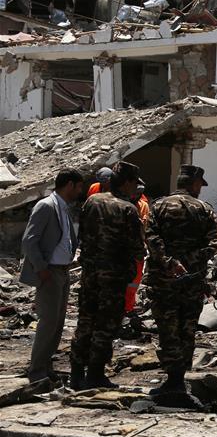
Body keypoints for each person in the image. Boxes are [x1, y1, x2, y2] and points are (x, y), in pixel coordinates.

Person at [145, 165, 217, 395]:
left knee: (167, 328)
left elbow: (150, 237)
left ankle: (172, 379)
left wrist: (169, 261)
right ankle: (178, 379)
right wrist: (189, 261)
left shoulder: (157, 206)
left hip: (164, 279)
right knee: (186, 328)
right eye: (200, 184)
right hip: (191, 280)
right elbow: (213, 243)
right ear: (194, 184)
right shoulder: (204, 209)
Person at [70, 162, 145, 390]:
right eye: (134, 183)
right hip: (113, 277)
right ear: (127, 182)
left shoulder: (92, 201)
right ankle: (95, 374)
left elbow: (82, 234)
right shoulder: (127, 209)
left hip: (91, 273)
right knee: (106, 324)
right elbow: (137, 248)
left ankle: (76, 374)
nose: (135, 188)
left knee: (85, 321)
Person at [20, 169, 84, 386]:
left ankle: (46, 366)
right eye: (78, 186)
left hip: (63, 271)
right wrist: (41, 268)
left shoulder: (63, 208)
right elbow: (29, 241)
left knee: (57, 322)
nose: (80, 191)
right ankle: (36, 370)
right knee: (48, 321)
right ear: (69, 185)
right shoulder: (46, 206)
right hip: (50, 272)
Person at [125, 182, 150, 314]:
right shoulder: (120, 205)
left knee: (134, 282)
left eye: (138, 194)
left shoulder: (143, 206)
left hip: (137, 251)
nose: (136, 196)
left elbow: (146, 228)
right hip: (122, 251)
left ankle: (128, 308)